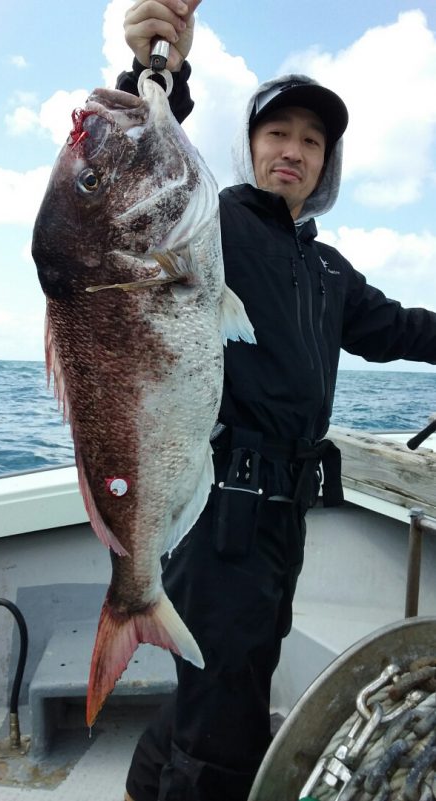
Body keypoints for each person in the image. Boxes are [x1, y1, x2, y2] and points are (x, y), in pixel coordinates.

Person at [117, 2, 436, 800]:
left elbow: (399, 327)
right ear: (251, 145)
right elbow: (148, 170)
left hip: (281, 518)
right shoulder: (211, 224)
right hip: (221, 507)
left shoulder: (328, 269)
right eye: (277, 133)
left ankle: (141, 784)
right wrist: (163, 73)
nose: (293, 150)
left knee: (223, 678)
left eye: (312, 141)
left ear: (326, 164)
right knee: (228, 722)